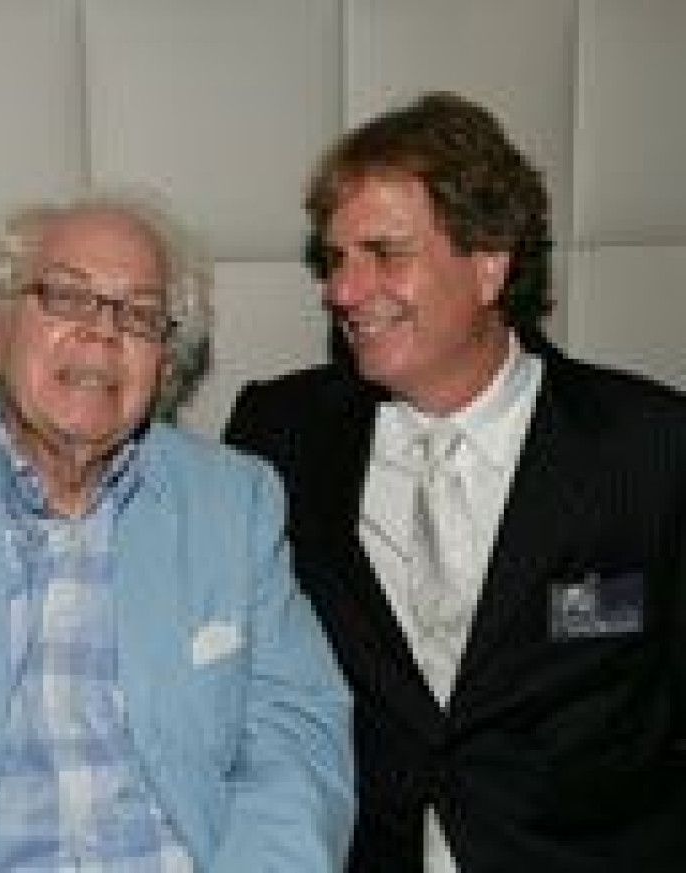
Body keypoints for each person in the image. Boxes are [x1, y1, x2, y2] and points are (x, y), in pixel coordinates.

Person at [0, 191, 355, 872]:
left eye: (139, 314)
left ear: (164, 365)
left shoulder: (235, 505)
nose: (103, 332)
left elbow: (299, 737)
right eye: (66, 297)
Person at [224, 91, 686, 872]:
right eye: (336, 259)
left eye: (384, 253)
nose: (342, 290)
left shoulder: (650, 447)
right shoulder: (282, 435)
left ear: (489, 262)